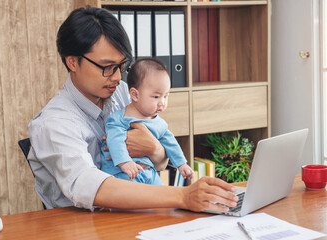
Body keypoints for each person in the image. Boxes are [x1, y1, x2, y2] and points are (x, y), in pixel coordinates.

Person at [28, 5, 238, 212]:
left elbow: (160, 162)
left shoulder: (121, 92)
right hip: (83, 226)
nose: (118, 77)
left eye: (122, 66)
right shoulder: (54, 123)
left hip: (137, 213)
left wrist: (154, 149)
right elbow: (93, 189)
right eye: (107, 67)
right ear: (73, 62)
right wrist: (182, 196)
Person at [101, 58, 194, 184]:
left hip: (149, 173)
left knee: (163, 199)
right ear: (135, 95)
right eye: (156, 97)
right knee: (133, 200)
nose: (162, 103)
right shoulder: (118, 119)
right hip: (122, 173)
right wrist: (125, 162)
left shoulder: (159, 123)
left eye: (165, 96)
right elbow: (114, 140)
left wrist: (182, 164)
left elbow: (170, 143)